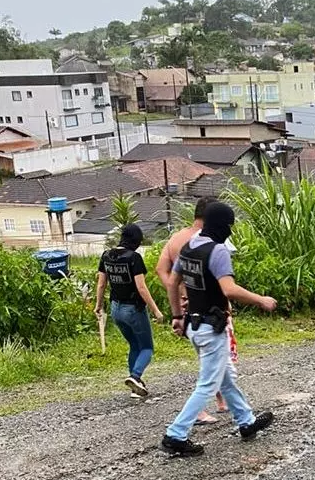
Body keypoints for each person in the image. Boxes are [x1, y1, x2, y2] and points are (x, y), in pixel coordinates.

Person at [162, 202, 278, 457]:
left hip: (194, 324)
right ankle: (175, 434)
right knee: (207, 384)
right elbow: (229, 289)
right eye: (229, 226)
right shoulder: (217, 251)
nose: (230, 231)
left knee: (224, 376)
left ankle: (246, 422)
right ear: (221, 226)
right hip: (211, 328)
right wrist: (261, 299)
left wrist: (177, 316)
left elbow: (172, 281)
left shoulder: (189, 246)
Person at [157, 196, 228, 425]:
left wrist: (178, 303)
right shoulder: (210, 243)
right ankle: (188, 420)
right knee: (213, 360)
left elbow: (163, 272)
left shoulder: (178, 239)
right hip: (209, 309)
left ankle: (234, 409)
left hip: (190, 311)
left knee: (212, 360)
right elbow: (223, 283)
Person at [95, 223, 164, 397]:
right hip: (133, 309)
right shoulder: (134, 258)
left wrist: (98, 305)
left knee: (134, 345)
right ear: (135, 241)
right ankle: (135, 376)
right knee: (147, 348)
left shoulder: (106, 255)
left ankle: (136, 387)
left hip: (116, 309)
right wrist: (156, 310)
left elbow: (102, 283)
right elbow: (141, 288)